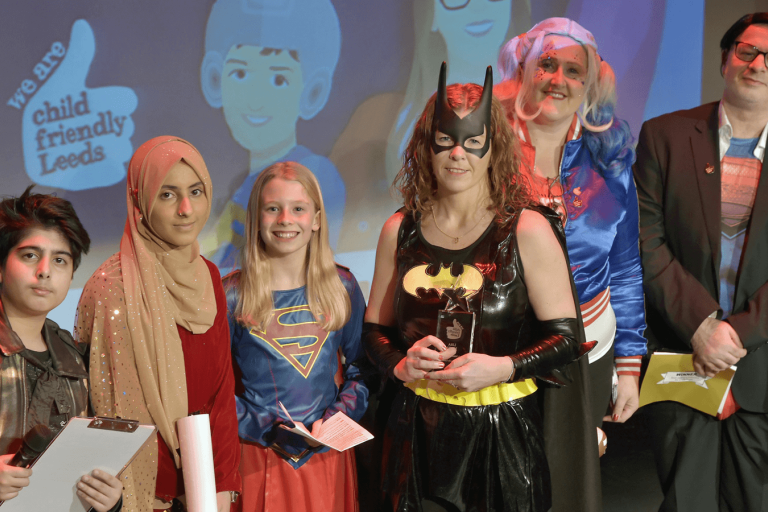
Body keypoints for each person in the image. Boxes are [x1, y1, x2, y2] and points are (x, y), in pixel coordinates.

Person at [363, 63, 587, 512]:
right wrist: (401, 364)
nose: (457, 155)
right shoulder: (399, 230)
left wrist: (503, 367)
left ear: (492, 148)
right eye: (444, 141)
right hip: (415, 433)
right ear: (427, 147)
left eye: (471, 143)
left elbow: (568, 338)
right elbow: (374, 333)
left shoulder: (526, 229)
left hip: (501, 434)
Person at [634, 12, 768, 512]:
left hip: (762, 363)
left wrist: (739, 334)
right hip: (684, 357)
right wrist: (702, 327)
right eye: (747, 51)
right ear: (725, 59)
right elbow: (646, 241)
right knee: (685, 501)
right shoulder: (664, 136)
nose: (757, 64)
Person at [75, 137, 241, 512]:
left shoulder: (209, 275)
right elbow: (103, 405)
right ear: (141, 201)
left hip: (203, 486)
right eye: (167, 195)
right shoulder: (110, 288)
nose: (186, 209)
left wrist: (222, 486)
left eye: (195, 192)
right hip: (138, 492)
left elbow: (220, 389)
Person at [496, 18, 646, 427]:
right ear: (523, 69)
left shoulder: (610, 163)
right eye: (546, 64)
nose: (558, 79)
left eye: (573, 70)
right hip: (501, 352)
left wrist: (629, 368)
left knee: (571, 483)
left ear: (589, 83)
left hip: (588, 349)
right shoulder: (487, 152)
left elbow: (627, 270)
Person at [225, 161, 368, 512]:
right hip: (259, 457)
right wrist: (265, 428)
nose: (285, 219)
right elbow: (214, 392)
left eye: (298, 209)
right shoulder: (230, 296)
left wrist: (335, 419)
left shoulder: (342, 286)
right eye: (273, 209)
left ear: (316, 219)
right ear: (257, 218)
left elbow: (364, 369)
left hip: (326, 456)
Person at [0, 187, 123, 512]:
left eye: (59, 259)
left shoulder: (75, 357)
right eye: (29, 255)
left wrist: (107, 499)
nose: (44, 270)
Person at [200, 0, 345, 271]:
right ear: (214, 79)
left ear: (313, 92)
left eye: (279, 79)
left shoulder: (316, 174)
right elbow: (215, 254)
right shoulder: (241, 187)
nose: (256, 100)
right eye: (241, 74)